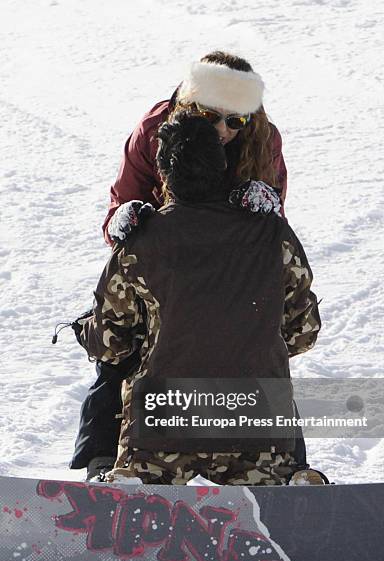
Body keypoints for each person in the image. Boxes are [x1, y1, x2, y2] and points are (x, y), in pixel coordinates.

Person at [69, 50, 306, 481]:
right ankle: (101, 463)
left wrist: (265, 206)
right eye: (210, 116)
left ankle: (294, 471)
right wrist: (126, 221)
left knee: (256, 348)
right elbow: (120, 203)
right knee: (125, 350)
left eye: (235, 121)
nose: (222, 130)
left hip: (235, 257)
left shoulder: (262, 137)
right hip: (164, 257)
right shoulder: (155, 129)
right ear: (188, 105)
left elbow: (276, 238)